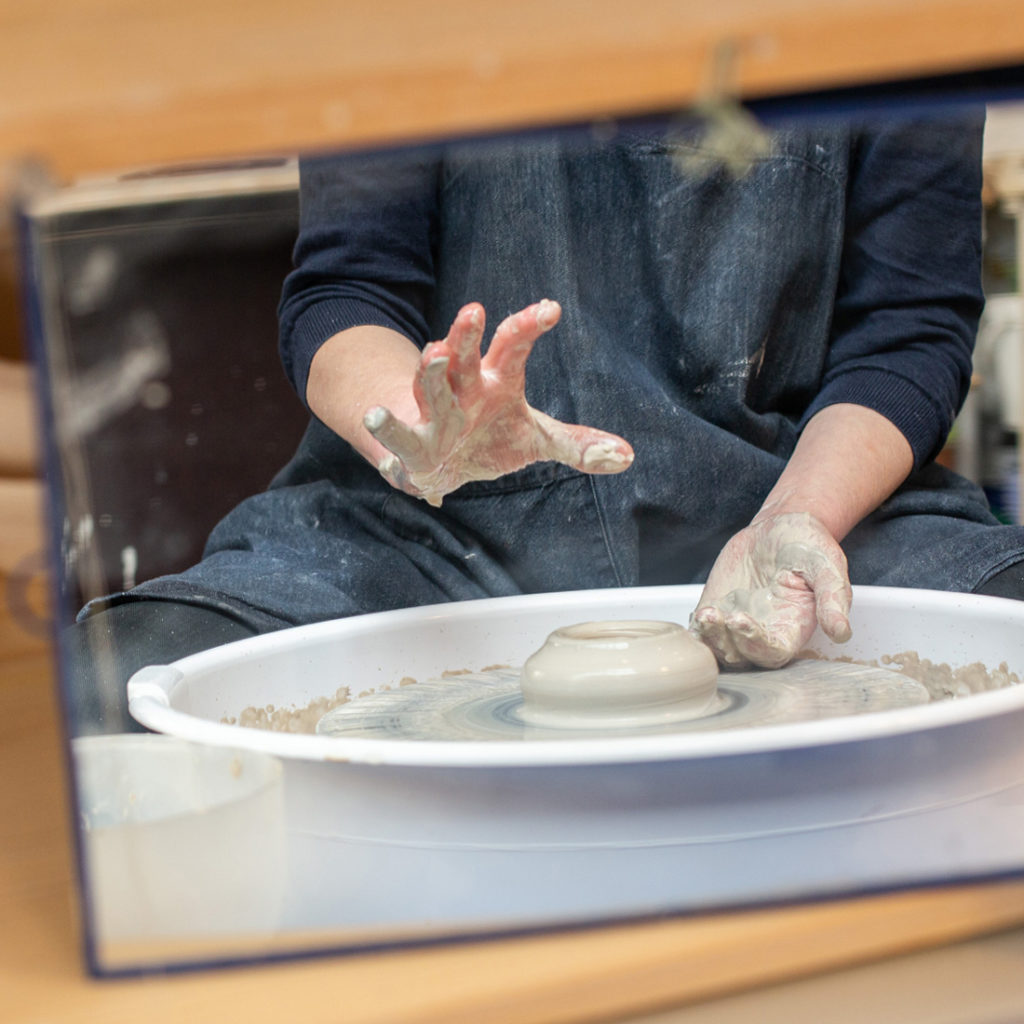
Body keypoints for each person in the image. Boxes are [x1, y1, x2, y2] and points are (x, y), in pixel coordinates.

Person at [66, 107, 1024, 732]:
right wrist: (422, 427)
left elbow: (908, 326)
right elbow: (347, 288)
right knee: (119, 690)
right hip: (432, 528)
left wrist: (798, 516)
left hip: (781, 505)